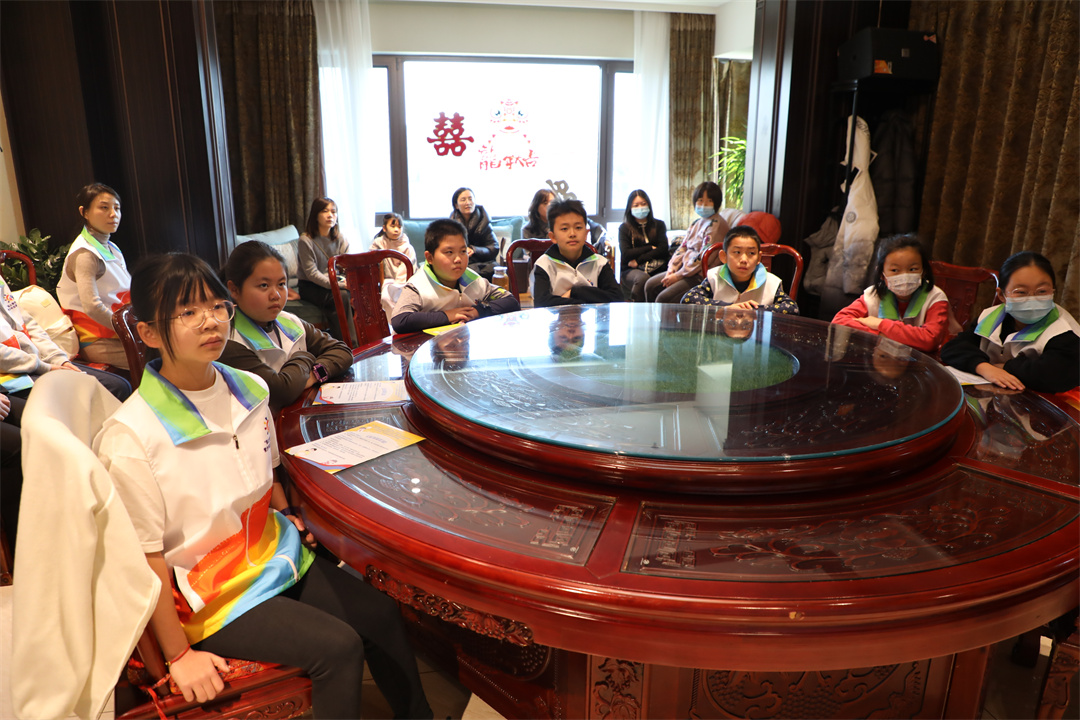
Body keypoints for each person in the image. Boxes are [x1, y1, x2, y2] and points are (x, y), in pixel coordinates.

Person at [94, 253, 432, 719]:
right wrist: (179, 656)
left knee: (381, 615)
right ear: (149, 333)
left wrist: (287, 512)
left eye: (216, 306)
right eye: (188, 311)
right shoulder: (132, 435)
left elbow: (266, 473)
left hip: (270, 553)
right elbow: (145, 559)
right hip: (207, 594)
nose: (210, 321)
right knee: (338, 648)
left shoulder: (250, 388)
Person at [219, 241, 352, 414]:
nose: (275, 295)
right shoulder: (229, 339)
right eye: (264, 285)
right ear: (234, 290)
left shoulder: (288, 320)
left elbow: (342, 351)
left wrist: (314, 374)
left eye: (281, 284)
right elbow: (281, 391)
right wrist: (304, 356)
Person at [941, 251, 1079, 393]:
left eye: (1042, 291)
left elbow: (1053, 375)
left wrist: (1006, 367)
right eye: (1021, 292)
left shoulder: (1064, 331)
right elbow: (953, 348)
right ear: (1001, 295)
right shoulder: (990, 317)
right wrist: (985, 368)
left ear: (1053, 291)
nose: (1032, 299)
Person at [1, 275, 130, 399]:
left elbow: (28, 324)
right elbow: (92, 307)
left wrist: (58, 359)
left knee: (118, 386)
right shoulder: (85, 259)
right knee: (77, 398)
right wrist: (44, 367)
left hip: (36, 361)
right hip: (12, 373)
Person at [391, 218, 519, 334]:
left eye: (463, 251)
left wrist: (479, 311)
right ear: (430, 258)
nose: (458, 259)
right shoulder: (418, 285)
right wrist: (447, 315)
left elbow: (510, 301)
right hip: (424, 349)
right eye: (449, 252)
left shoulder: (473, 281)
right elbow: (400, 319)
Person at [831, 234, 948, 352]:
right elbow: (840, 321)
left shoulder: (935, 297)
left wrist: (881, 324)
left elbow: (929, 340)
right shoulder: (873, 295)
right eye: (895, 270)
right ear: (881, 274)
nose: (904, 275)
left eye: (913, 269)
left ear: (924, 270)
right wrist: (881, 335)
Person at [57, 183, 131, 367]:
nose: (113, 214)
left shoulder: (111, 246)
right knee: (163, 357)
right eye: (104, 208)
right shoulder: (85, 254)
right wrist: (128, 329)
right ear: (84, 212)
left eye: (117, 208)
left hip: (120, 330)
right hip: (98, 339)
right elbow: (92, 307)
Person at [681, 226, 799, 314]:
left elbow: (792, 309)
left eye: (751, 253)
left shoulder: (771, 282)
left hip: (758, 335)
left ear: (759, 258)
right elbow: (688, 299)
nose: (744, 260)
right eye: (737, 252)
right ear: (724, 256)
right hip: (721, 334)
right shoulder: (714, 277)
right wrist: (727, 307)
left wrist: (752, 310)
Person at [644, 181, 729, 303]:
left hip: (699, 275)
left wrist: (678, 275)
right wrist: (672, 268)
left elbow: (703, 258)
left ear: (716, 202)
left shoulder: (717, 225)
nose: (704, 205)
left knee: (663, 298)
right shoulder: (696, 222)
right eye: (700, 200)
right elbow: (682, 247)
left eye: (709, 201)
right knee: (650, 285)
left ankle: (667, 316)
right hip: (683, 270)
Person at [531, 199, 622, 308]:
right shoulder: (544, 264)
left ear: (586, 234)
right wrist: (585, 300)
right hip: (557, 319)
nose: (572, 234)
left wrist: (577, 291)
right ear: (553, 237)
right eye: (564, 229)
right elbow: (541, 303)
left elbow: (617, 297)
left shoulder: (599, 263)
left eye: (578, 227)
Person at [297, 197, 350, 341]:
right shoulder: (305, 240)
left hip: (334, 282)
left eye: (333, 212)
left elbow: (347, 265)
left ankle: (362, 340)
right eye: (325, 211)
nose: (330, 215)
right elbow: (311, 273)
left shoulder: (340, 238)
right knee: (340, 296)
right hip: (310, 286)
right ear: (315, 215)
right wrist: (335, 285)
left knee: (356, 295)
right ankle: (346, 343)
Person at [618, 189, 669, 301]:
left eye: (643, 204)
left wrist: (638, 260)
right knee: (642, 279)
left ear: (648, 205)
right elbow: (626, 254)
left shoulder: (659, 225)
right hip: (630, 270)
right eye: (636, 205)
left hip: (658, 266)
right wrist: (649, 247)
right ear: (630, 208)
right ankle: (638, 308)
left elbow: (663, 249)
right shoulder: (624, 228)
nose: (640, 208)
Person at [370, 212, 418, 320]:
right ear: (384, 228)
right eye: (393, 226)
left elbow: (407, 268)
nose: (396, 230)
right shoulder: (379, 243)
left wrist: (397, 285)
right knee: (385, 298)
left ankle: (401, 320)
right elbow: (370, 259)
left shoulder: (407, 247)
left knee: (401, 298)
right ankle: (391, 323)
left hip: (404, 281)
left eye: (399, 227)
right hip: (387, 280)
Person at [449, 187, 498, 278]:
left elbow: (494, 248)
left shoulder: (484, 222)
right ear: (456, 205)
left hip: (484, 263)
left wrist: (474, 250)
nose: (468, 203)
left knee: (496, 269)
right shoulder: (451, 225)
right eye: (463, 200)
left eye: (470, 199)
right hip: (462, 263)